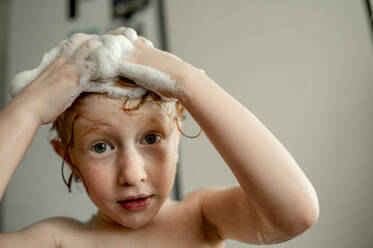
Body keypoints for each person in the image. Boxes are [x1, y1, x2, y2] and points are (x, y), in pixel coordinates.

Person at [0, 27, 319, 247]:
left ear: (177, 136)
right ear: (69, 157)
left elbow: (296, 214)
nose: (132, 175)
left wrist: (189, 81)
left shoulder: (203, 218)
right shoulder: (59, 241)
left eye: (151, 139)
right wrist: (28, 108)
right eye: (101, 146)